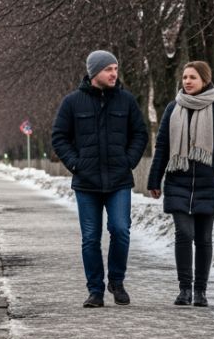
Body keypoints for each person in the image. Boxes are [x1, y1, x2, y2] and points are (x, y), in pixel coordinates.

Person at [52, 50, 149, 308]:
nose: (114, 74)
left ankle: (116, 282)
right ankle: (95, 290)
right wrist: (75, 163)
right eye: (109, 69)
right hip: (87, 183)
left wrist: (128, 161)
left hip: (119, 180)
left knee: (120, 230)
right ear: (94, 72)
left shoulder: (126, 101)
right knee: (90, 237)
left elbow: (140, 134)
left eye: (116, 69)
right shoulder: (72, 102)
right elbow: (59, 137)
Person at [147, 61, 214, 307]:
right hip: (178, 180)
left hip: (207, 183)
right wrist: (154, 179)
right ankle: (184, 290)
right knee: (183, 234)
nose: (187, 81)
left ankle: (200, 291)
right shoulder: (172, 108)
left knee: (204, 238)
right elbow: (162, 147)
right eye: (185, 77)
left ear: (205, 80)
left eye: (193, 77)